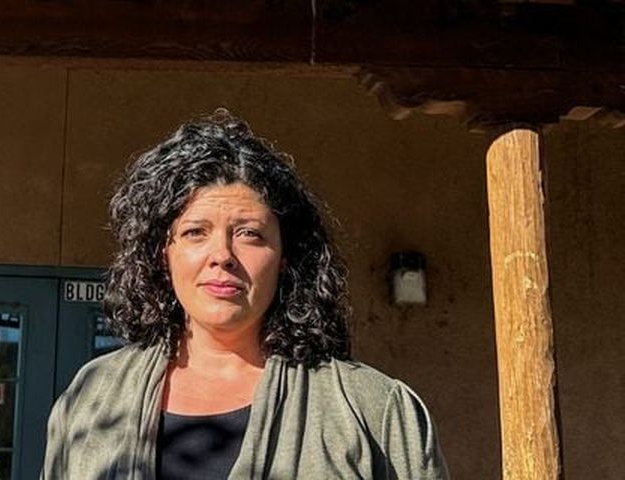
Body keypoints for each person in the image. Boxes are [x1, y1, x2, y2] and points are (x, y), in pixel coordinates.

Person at [42, 111, 448, 479]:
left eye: (249, 234)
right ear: (162, 255)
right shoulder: (93, 396)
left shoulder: (371, 409)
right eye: (195, 232)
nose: (222, 256)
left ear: (286, 256)